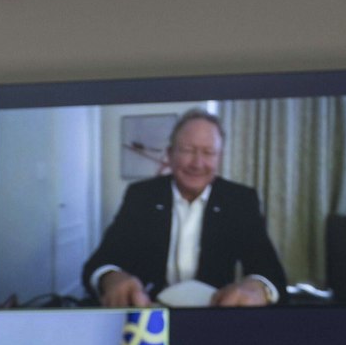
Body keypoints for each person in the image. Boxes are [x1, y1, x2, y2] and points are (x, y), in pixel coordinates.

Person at [83, 109, 287, 308]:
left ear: (219, 157)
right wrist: (111, 278)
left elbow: (270, 272)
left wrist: (258, 288)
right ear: (170, 154)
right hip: (151, 316)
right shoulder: (141, 195)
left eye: (208, 152)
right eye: (187, 150)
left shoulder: (240, 199)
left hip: (214, 315)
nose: (197, 164)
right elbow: (100, 262)